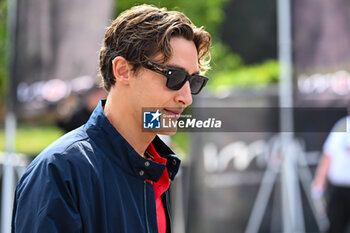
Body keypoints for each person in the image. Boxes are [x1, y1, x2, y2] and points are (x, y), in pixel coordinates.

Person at [11, 4, 211, 233]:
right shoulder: (59, 170)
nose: (186, 98)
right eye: (174, 77)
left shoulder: (157, 169)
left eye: (194, 82)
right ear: (123, 70)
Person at [312, 116, 350, 233]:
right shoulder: (343, 126)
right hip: (340, 190)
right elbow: (328, 156)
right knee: (336, 226)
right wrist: (318, 184)